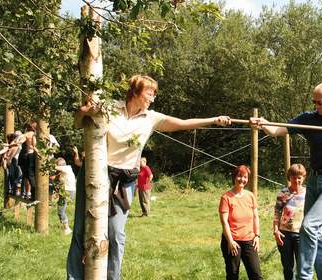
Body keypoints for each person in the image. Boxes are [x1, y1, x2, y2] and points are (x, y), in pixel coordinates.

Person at [67, 74, 231, 280]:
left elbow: (183, 123)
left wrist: (214, 120)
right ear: (135, 92)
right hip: (95, 173)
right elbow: (78, 123)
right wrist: (83, 112)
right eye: (149, 93)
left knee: (116, 234)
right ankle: (74, 277)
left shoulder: (151, 118)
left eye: (154, 94)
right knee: (81, 230)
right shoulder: (110, 107)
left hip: (124, 181)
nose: (152, 98)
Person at [251, 81, 322, 280]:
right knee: (313, 233)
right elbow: (277, 130)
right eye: (314, 102)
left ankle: (303, 277)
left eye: (320, 103)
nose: (316, 106)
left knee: (309, 226)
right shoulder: (308, 119)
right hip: (314, 181)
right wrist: (262, 123)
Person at [219, 165, 262, 280]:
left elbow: (255, 217)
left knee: (256, 275)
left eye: (245, 177)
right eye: (239, 176)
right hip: (233, 241)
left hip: (249, 240)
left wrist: (257, 235)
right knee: (233, 274)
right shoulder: (226, 197)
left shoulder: (250, 196)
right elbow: (224, 222)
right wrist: (230, 241)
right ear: (234, 177)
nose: (242, 179)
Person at [274, 163, 307, 280]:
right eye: (293, 177)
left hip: (302, 234)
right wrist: (276, 231)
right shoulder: (283, 193)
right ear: (289, 177)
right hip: (284, 234)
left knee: (302, 266)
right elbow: (277, 213)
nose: (296, 180)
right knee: (287, 267)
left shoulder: (308, 194)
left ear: (303, 177)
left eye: (299, 177)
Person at [54, 157, 76, 235]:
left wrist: (48, 163)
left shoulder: (67, 168)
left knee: (61, 210)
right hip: (66, 191)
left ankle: (67, 229)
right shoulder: (64, 172)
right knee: (61, 209)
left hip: (68, 191)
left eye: (58, 165)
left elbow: (54, 167)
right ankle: (65, 227)